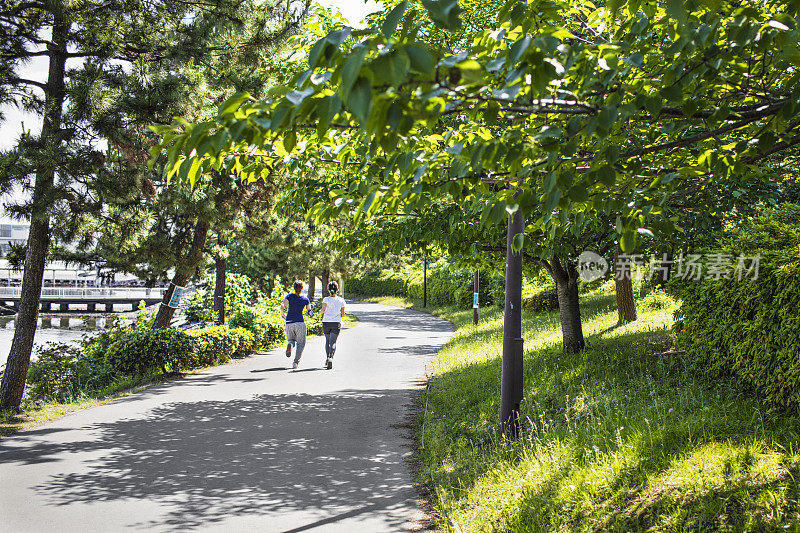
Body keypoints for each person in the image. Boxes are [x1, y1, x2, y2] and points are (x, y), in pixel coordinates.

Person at [280, 280, 313, 370]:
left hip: (289, 322)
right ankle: (295, 363)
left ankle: (290, 345)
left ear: (294, 288)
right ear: (302, 288)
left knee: (291, 340)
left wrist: (283, 314)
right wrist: (311, 315)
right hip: (300, 323)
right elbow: (310, 311)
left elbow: (282, 306)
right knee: (301, 343)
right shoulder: (305, 299)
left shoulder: (289, 296)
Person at [320, 281, 346, 370]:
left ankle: (327, 357)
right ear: (337, 290)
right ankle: (331, 357)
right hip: (336, 323)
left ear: (328, 290)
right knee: (333, 342)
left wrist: (320, 312)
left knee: (327, 341)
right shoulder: (341, 300)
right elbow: (342, 314)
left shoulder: (325, 299)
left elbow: (323, 310)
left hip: (326, 322)